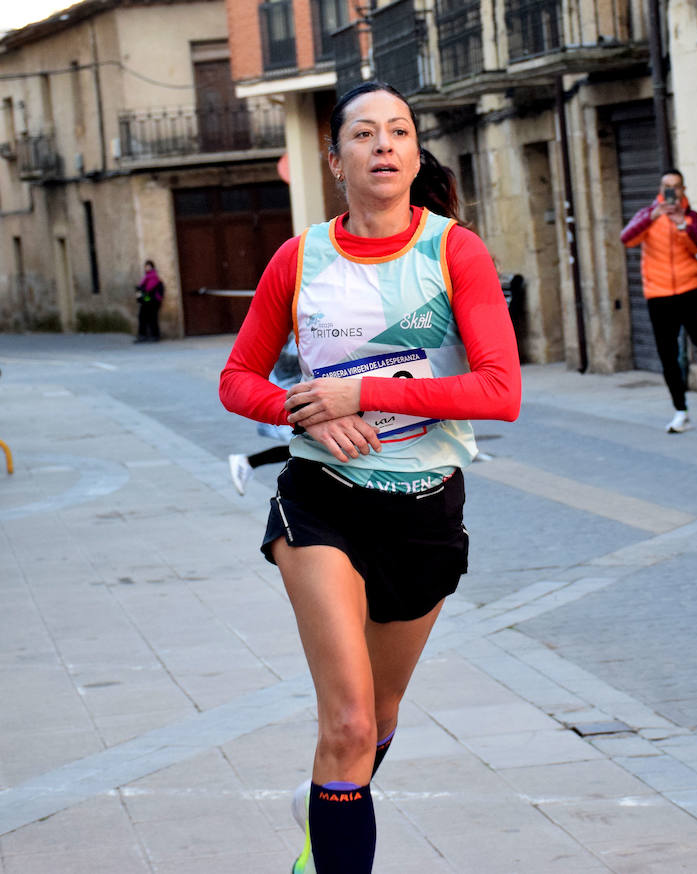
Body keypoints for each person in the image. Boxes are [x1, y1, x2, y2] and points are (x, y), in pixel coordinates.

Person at [219, 81, 520, 874]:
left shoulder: (456, 252)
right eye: (364, 134)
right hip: (323, 501)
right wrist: (307, 413)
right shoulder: (300, 258)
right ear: (336, 159)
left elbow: (501, 392)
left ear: (416, 154)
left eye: (399, 132)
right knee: (348, 722)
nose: (383, 145)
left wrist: (363, 392)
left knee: (380, 718)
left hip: (423, 511)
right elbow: (238, 378)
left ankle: (325, 809)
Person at [621, 169, 697, 432]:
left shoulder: (691, 217)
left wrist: (681, 224)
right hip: (659, 297)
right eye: (666, 186)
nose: (671, 191)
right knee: (668, 356)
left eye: (676, 187)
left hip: (690, 293)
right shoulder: (647, 215)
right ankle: (680, 410)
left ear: (683, 190)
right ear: (660, 189)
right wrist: (654, 216)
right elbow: (627, 238)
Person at [229, 337, 302, 495]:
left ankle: (248, 462)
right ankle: (248, 462)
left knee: (305, 447)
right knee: (306, 446)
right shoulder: (297, 336)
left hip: (293, 396)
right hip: (289, 397)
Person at [135, 260, 164, 343]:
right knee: (143, 317)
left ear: (152, 267)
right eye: (146, 266)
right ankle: (143, 335)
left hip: (152, 301)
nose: (147, 268)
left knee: (152, 318)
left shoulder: (153, 277)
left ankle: (154, 336)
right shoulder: (146, 277)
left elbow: (148, 289)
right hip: (147, 300)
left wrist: (141, 290)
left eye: (148, 266)